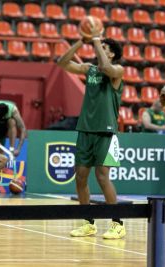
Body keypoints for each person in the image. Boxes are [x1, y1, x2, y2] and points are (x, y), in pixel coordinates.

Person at [57, 28, 126, 239]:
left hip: (105, 131)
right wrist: (81, 41)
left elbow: (106, 66)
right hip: (85, 130)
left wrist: (96, 40)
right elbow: (62, 62)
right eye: (99, 46)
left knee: (102, 177)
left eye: (104, 47)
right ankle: (88, 223)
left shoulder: (117, 70)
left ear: (112, 53)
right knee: (81, 178)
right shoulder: (90, 69)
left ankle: (117, 224)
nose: (99, 49)